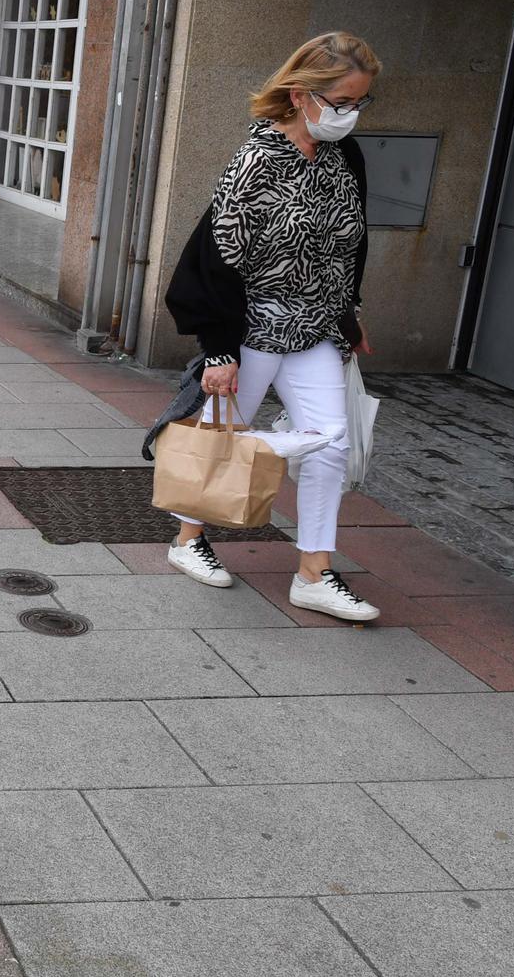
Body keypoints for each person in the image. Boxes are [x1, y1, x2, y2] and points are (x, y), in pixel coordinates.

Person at [162, 31, 383, 623]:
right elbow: (218, 257)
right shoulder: (254, 161)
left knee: (332, 442)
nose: (349, 116)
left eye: (360, 103)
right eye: (339, 103)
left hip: (315, 329)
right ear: (299, 94)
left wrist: (347, 315)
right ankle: (188, 538)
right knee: (218, 436)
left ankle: (314, 571)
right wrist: (217, 351)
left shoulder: (345, 158)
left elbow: (344, 249)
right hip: (249, 329)